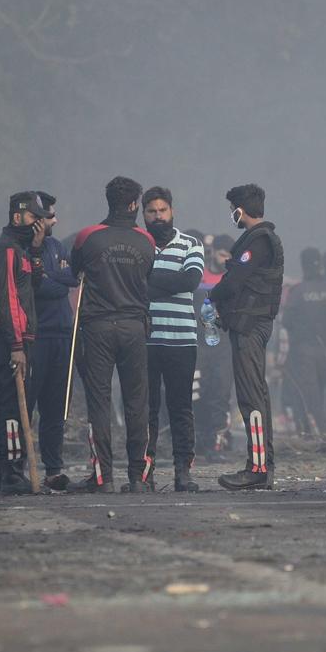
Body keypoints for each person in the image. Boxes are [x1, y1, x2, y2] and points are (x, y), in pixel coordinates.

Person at [67, 177, 155, 493]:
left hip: (98, 328)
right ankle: (138, 477)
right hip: (134, 327)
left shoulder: (87, 237)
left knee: (99, 402)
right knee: (136, 402)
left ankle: (102, 477)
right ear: (134, 205)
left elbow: (73, 272)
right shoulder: (147, 241)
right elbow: (147, 276)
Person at [210, 183, 285, 490]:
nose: (232, 215)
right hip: (251, 326)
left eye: (232, 210)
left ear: (240, 209)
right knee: (257, 394)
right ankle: (263, 466)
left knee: (250, 397)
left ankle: (256, 468)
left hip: (250, 327)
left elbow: (235, 280)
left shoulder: (259, 240)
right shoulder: (259, 239)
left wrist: (210, 297)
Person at [140, 185, 205, 492]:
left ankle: (183, 472)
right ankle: (145, 472)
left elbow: (190, 281)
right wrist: (169, 282)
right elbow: (133, 284)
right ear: (143, 214)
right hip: (146, 341)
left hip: (182, 340)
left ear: (172, 211)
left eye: (162, 210)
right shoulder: (137, 245)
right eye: (151, 212)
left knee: (181, 408)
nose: (157, 216)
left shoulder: (191, 244)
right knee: (146, 408)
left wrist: (148, 280)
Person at [0, 192, 47, 496]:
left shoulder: (20, 249)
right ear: (18, 216)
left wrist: (35, 251)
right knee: (10, 408)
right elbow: (8, 300)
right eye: (35, 218)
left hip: (18, 339)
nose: (39, 224)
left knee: (3, 405)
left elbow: (31, 286)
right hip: (13, 341)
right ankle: (10, 473)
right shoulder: (6, 249)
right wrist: (17, 345)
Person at [24, 191, 79, 492]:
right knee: (27, 405)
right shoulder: (22, 250)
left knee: (55, 408)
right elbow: (38, 286)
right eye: (50, 216)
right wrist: (53, 280)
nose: (55, 220)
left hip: (62, 335)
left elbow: (71, 278)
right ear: (36, 221)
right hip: (37, 337)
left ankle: (53, 469)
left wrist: (52, 279)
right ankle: (19, 467)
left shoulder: (58, 246)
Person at [282, 248, 326, 438]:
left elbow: (286, 321)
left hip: (303, 350)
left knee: (308, 392)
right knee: (324, 390)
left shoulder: (298, 292)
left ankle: (317, 430)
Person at [192, 234, 236, 460]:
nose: (226, 259)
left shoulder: (233, 278)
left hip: (223, 345)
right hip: (200, 345)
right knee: (198, 392)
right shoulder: (198, 276)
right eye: (222, 254)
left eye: (230, 255)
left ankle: (217, 444)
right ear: (213, 253)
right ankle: (199, 440)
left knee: (220, 392)